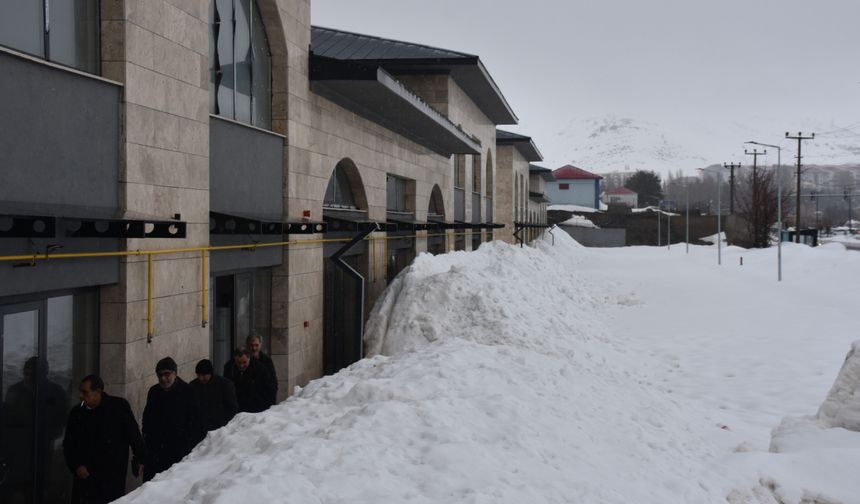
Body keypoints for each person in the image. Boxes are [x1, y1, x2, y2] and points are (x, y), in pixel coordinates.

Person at [62, 375, 146, 504]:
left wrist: (140, 458)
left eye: (85, 392)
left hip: (111, 474)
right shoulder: (77, 413)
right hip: (85, 476)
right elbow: (69, 444)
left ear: (97, 392)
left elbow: (133, 435)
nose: (81, 396)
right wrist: (76, 465)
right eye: (80, 392)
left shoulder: (118, 407)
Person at [141, 357, 203, 482]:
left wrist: (187, 446)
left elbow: (196, 422)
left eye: (167, 374)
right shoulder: (154, 392)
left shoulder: (188, 392)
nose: (163, 378)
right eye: (160, 375)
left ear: (175, 374)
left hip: (179, 450)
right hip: (156, 451)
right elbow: (147, 419)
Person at [190, 359, 238, 432]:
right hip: (199, 428)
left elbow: (232, 408)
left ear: (210, 374)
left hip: (220, 429)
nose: (200, 378)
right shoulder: (193, 386)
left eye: (203, 375)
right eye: (198, 375)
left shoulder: (225, 385)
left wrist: (221, 423)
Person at [223, 348, 274, 413]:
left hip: (256, 408)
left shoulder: (260, 369)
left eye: (244, 362)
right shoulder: (229, 368)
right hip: (236, 408)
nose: (241, 366)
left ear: (249, 358)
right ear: (234, 359)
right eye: (238, 363)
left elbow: (269, 389)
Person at [246, 335, 278, 405]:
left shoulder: (267, 361)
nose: (254, 348)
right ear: (247, 345)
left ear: (260, 345)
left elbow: (273, 383)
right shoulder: (239, 362)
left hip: (263, 402)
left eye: (256, 345)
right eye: (251, 345)